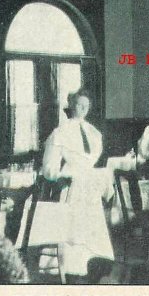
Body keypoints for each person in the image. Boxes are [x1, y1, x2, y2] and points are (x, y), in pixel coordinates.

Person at [41, 89, 112, 276]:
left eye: (86, 106)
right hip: (71, 181)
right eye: (79, 105)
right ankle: (72, 266)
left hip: (89, 181)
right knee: (73, 224)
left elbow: (92, 156)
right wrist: (60, 177)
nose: (82, 109)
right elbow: (49, 166)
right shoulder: (60, 133)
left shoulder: (93, 132)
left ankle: (94, 263)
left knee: (92, 222)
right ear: (71, 106)